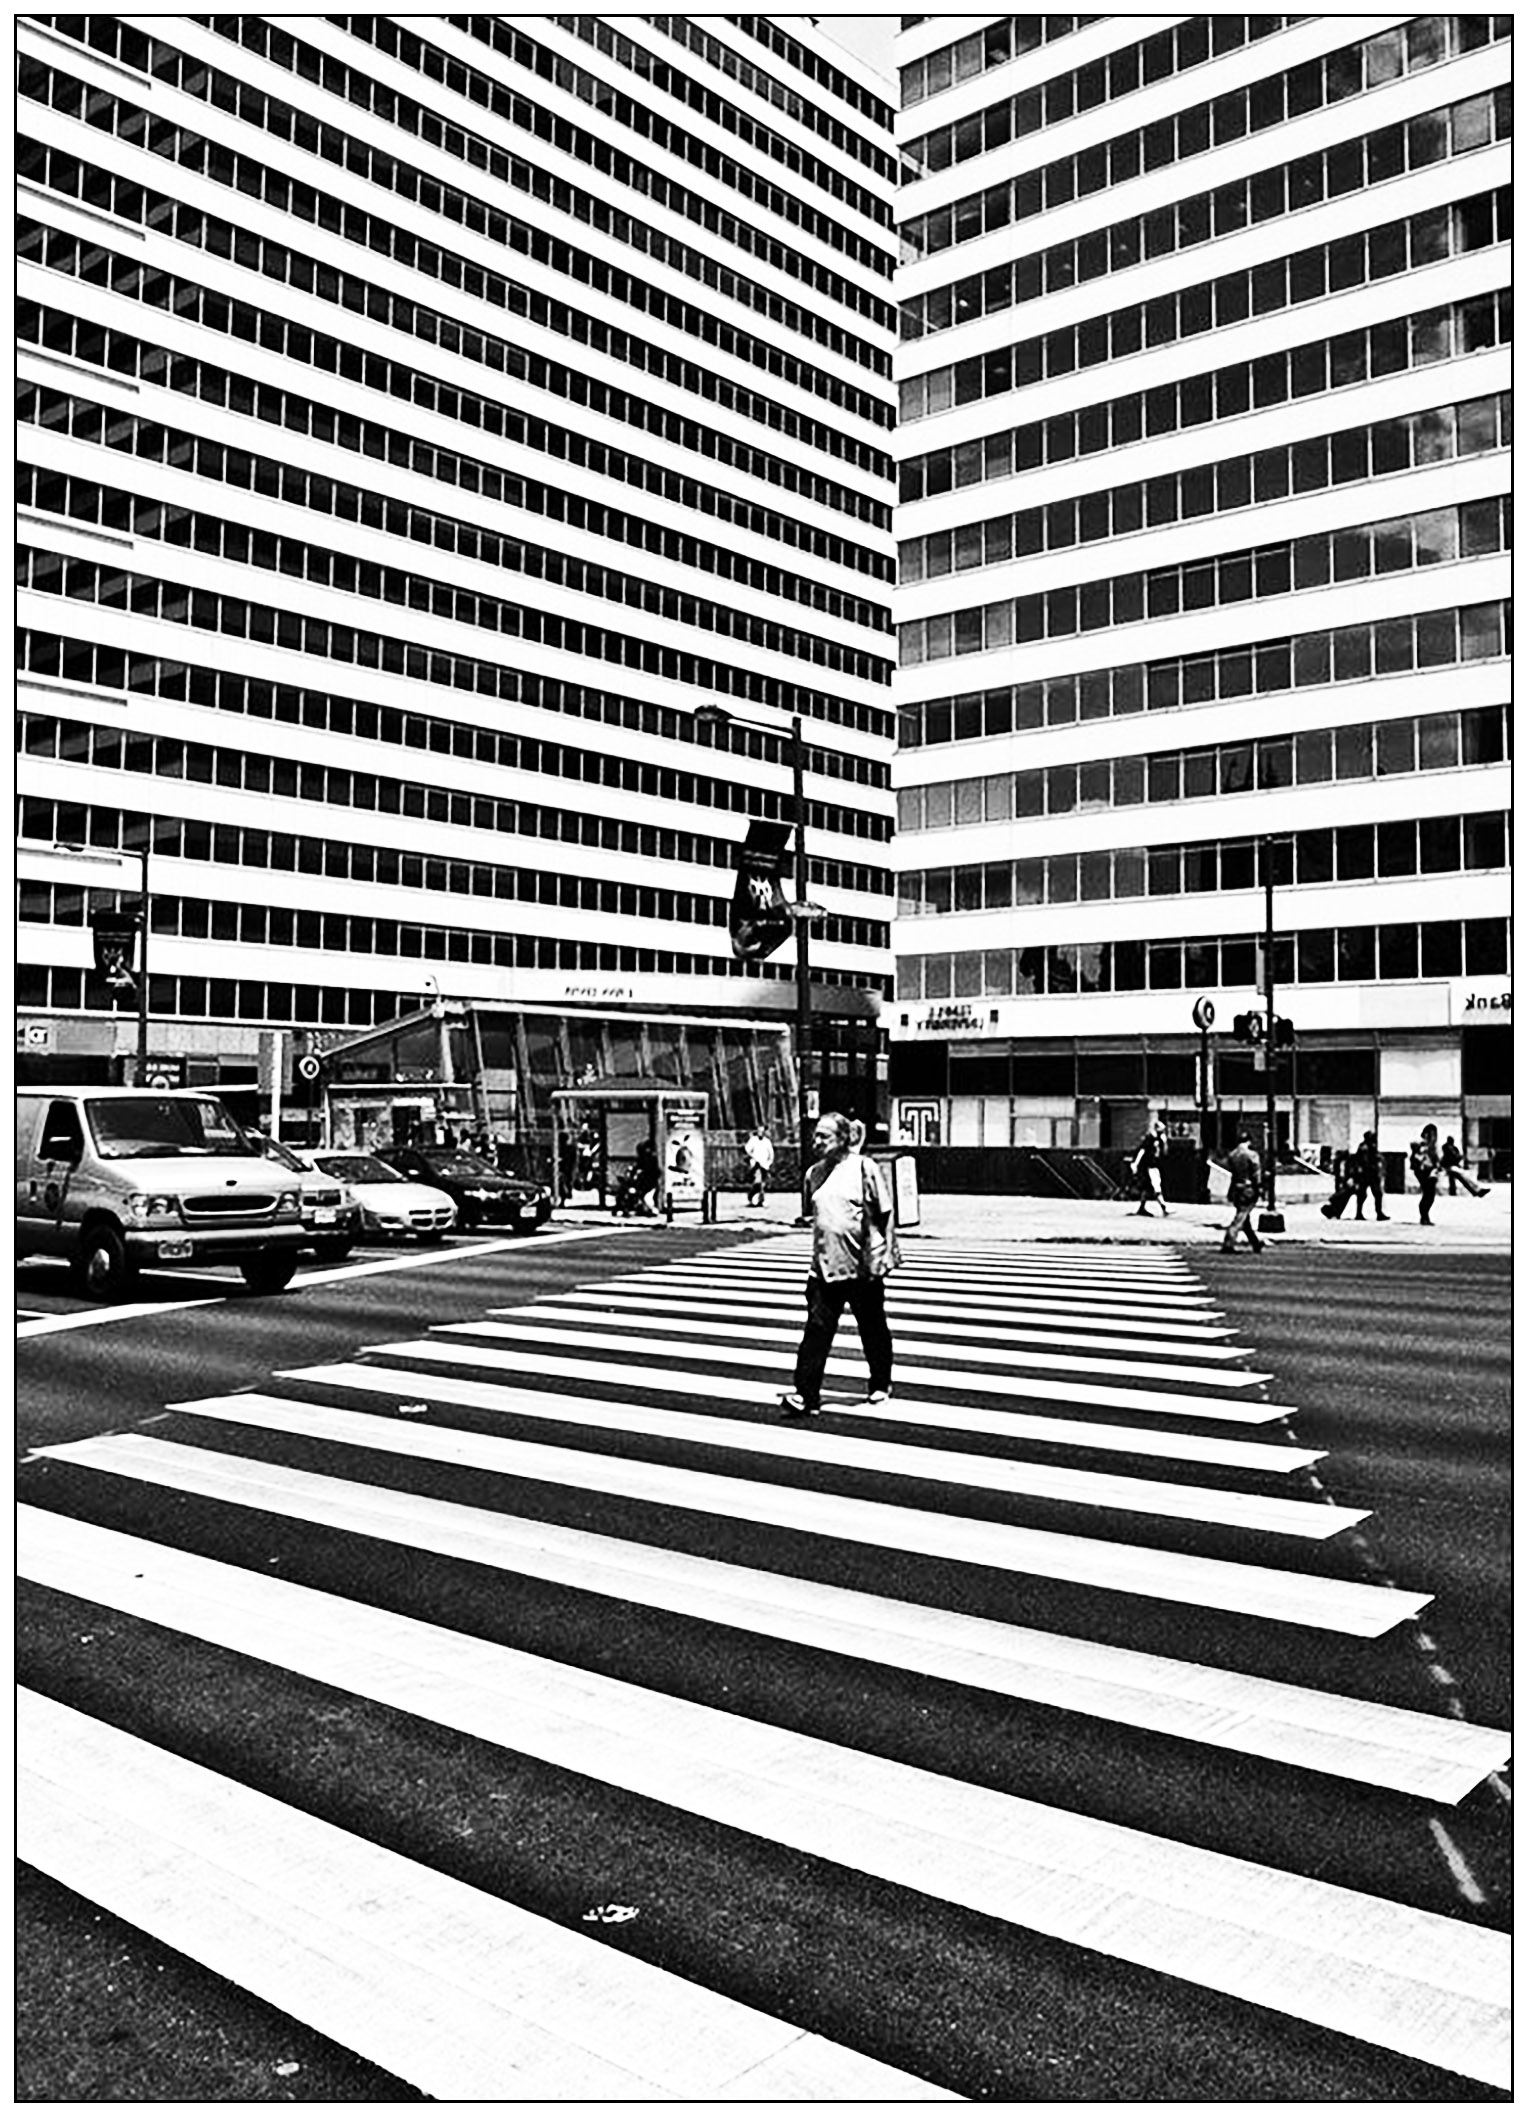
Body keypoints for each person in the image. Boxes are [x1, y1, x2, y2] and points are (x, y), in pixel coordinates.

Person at [781, 1111, 896, 1418]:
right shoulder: (814, 1173)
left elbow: (884, 1214)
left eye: (824, 1136)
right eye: (815, 1136)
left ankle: (880, 1382)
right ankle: (806, 1394)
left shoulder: (863, 1168)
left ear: (843, 1139)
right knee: (817, 1330)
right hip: (822, 1267)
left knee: (872, 1326)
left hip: (860, 1267)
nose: (816, 1142)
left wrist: (883, 1254)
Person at [1221, 1130, 1265, 1254]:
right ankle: (1228, 1242)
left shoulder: (1232, 1155)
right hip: (1248, 1189)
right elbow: (1256, 1174)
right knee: (1241, 1217)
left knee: (1245, 1219)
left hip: (1236, 1188)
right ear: (1249, 1141)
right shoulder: (1252, 1155)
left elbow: (1233, 1175)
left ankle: (1255, 1243)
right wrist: (1259, 1188)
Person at [1129, 1121, 1168, 1217]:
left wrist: (1165, 1141)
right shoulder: (1150, 1138)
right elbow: (1142, 1151)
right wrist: (1135, 1163)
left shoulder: (1160, 1139)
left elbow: (1165, 1152)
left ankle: (1142, 1208)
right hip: (1149, 1165)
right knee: (1156, 1186)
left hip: (1154, 1165)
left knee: (1146, 1188)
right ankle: (1164, 1207)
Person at [1409, 1125, 1441, 1226]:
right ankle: (1424, 1216)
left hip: (1431, 1171)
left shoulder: (1432, 1145)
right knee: (1428, 1194)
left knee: (1430, 1195)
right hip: (1424, 1172)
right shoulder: (1422, 1146)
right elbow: (1417, 1158)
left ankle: (1425, 1216)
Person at [743, 1126, 775, 1208]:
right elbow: (747, 1150)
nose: (761, 1133)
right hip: (756, 1164)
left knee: (763, 1184)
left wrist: (769, 1163)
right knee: (758, 1182)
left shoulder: (767, 1142)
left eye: (762, 1131)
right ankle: (752, 1196)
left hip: (764, 1165)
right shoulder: (753, 1140)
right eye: (759, 1131)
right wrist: (753, 1157)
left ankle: (760, 1200)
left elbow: (771, 1154)